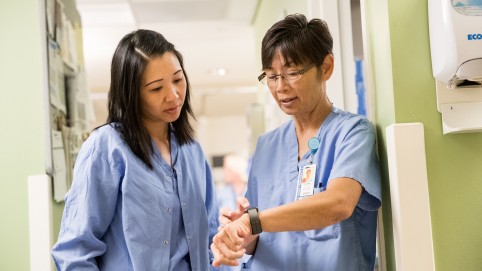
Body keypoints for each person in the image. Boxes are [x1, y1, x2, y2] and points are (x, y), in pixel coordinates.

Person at [211, 13, 381, 271]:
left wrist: (253, 222)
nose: (280, 87)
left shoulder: (352, 133)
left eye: (291, 73)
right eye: (271, 76)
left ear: (326, 67)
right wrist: (244, 235)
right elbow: (260, 236)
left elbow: (339, 203)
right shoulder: (267, 146)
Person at [51, 29, 219, 271]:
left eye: (178, 79)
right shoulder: (106, 148)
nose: (173, 95)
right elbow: (74, 251)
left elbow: (210, 239)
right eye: (156, 88)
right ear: (131, 94)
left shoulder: (192, 151)